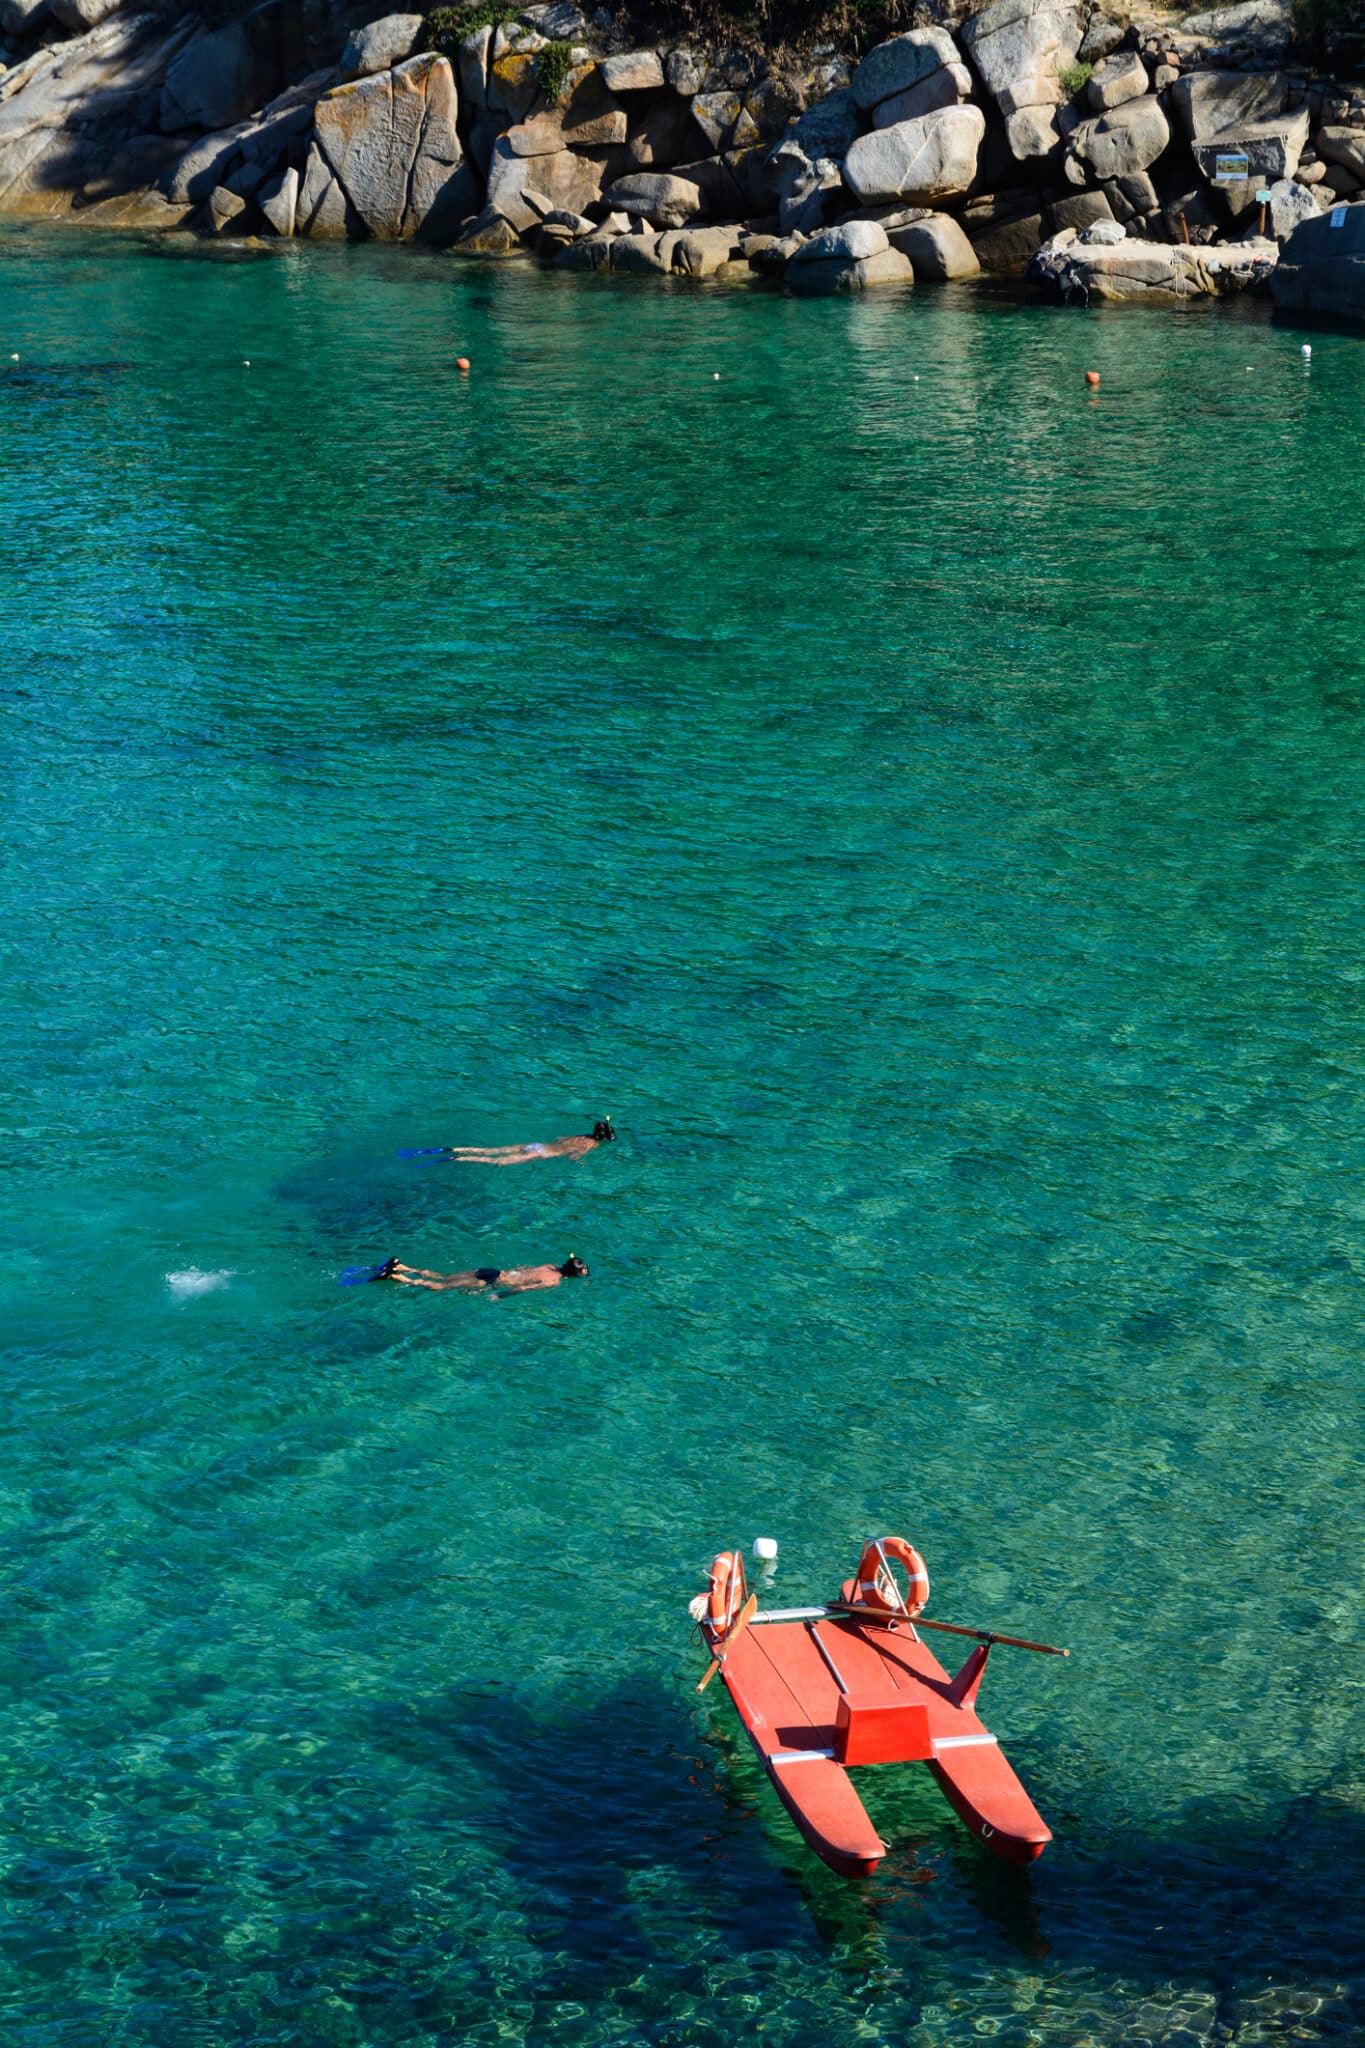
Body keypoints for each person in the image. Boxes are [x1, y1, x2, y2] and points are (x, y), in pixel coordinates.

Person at [369, 1253, 589, 1294]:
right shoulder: (554, 1281)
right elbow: (525, 1287)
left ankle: (402, 1266)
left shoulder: (550, 1266)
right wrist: (500, 1294)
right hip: (493, 1281)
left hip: (493, 1271)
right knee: (441, 1287)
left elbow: (523, 1271)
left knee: (445, 1277)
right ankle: (397, 1277)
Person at [438, 1118, 616, 1166]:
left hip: (537, 1145)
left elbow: (559, 1140)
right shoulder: (591, 1144)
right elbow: (572, 1156)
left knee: (490, 1150)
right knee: (497, 1161)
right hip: (541, 1153)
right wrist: (581, 1161)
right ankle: (460, 1158)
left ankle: (455, 1148)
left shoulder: (581, 1136)